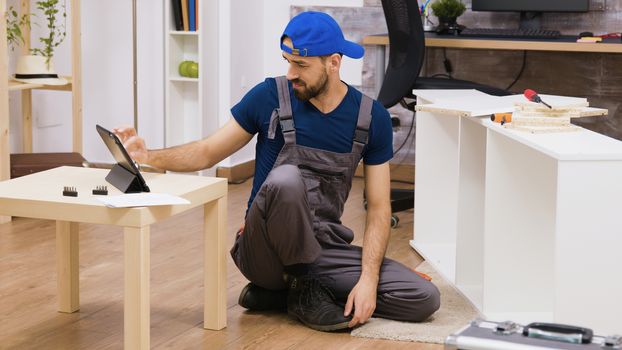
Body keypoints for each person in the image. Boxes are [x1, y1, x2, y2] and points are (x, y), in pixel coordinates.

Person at [114, 11, 440, 332]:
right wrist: (147, 156)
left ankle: (285, 293)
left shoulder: (371, 119)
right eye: (287, 61)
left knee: (423, 297)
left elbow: (381, 208)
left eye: (300, 64)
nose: (291, 73)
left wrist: (368, 282)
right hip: (262, 251)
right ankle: (297, 286)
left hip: (322, 248)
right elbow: (206, 152)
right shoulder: (269, 96)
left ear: (334, 62)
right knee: (287, 178)